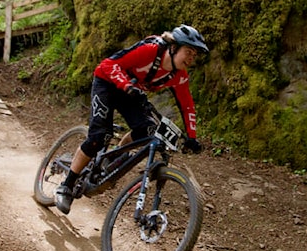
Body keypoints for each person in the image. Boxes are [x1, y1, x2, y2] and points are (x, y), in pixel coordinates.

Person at [54, 24, 209, 214]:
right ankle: (66, 185)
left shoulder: (179, 76)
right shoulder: (151, 50)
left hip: (131, 92)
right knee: (99, 137)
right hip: (107, 83)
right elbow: (108, 65)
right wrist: (126, 85)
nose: (191, 59)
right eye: (188, 52)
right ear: (174, 47)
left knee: (148, 129)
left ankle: (114, 157)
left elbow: (187, 106)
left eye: (194, 55)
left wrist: (192, 137)